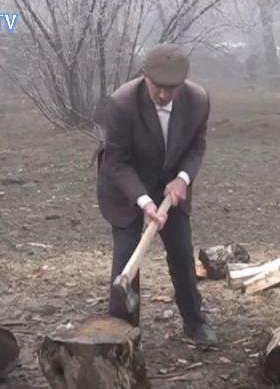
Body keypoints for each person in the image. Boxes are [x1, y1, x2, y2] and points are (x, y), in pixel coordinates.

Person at [96, 43, 217, 346]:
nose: (163, 95)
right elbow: (116, 161)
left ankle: (195, 321)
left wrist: (183, 179)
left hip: (171, 187)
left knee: (181, 252)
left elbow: (196, 146)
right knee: (127, 258)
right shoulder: (122, 103)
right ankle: (122, 335)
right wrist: (144, 201)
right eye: (157, 86)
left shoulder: (198, 100)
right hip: (126, 187)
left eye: (171, 88)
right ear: (145, 76)